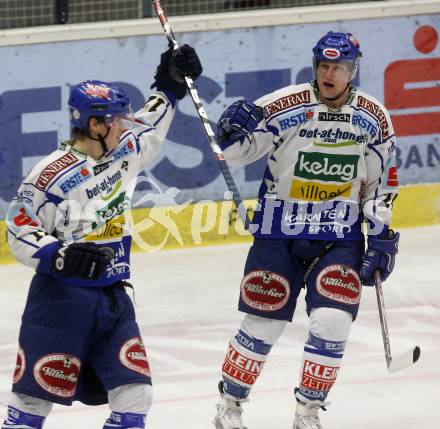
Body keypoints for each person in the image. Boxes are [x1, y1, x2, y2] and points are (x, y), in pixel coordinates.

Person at [1, 44, 202, 429]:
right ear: (95, 125)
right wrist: (59, 256)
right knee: (30, 405)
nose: (124, 125)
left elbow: (151, 123)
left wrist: (170, 84)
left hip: (113, 298)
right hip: (60, 302)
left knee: (136, 396)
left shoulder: (125, 149)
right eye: (115, 119)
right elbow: (19, 228)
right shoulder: (51, 175)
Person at [213, 31, 399, 429]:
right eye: (324, 65)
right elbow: (232, 151)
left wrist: (382, 235)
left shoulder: (374, 117)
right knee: (264, 322)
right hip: (279, 229)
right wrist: (228, 129)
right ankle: (229, 404)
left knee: (332, 321)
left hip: (339, 234)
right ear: (315, 66)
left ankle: (308, 412)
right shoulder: (284, 104)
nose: (330, 74)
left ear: (353, 70)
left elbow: (379, 183)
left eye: (339, 67)